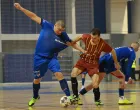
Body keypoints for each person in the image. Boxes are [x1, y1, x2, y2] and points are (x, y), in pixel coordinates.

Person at [14, 3, 86, 107]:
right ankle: (35, 96)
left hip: (52, 58)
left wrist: (82, 50)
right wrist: (21, 8)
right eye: (59, 29)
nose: (60, 32)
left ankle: (69, 96)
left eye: (62, 31)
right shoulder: (46, 25)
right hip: (39, 58)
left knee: (59, 74)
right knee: (37, 79)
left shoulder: (63, 35)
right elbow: (33, 16)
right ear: (55, 25)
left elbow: (71, 44)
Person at [70, 28, 120, 105]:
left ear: (99, 37)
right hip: (83, 60)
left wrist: (116, 63)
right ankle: (75, 97)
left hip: (93, 64)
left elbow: (113, 51)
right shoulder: (87, 37)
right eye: (92, 37)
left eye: (95, 38)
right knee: (73, 74)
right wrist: (75, 45)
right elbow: (77, 38)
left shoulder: (103, 44)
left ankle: (97, 100)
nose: (92, 39)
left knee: (95, 83)